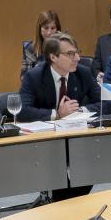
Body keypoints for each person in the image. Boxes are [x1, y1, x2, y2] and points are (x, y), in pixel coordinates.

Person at [16, 32, 98, 202]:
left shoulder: (83, 73)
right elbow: (22, 111)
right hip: (46, 143)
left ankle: (65, 204)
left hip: (77, 139)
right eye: (70, 54)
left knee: (90, 168)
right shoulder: (34, 76)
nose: (77, 58)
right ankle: (61, 204)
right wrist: (57, 114)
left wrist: (79, 110)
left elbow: (106, 103)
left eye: (77, 52)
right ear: (53, 56)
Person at [21, 10, 61, 77]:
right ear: (39, 29)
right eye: (46, 28)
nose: (49, 32)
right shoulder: (31, 48)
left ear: (57, 29)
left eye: (53, 28)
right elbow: (24, 77)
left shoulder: (63, 47)